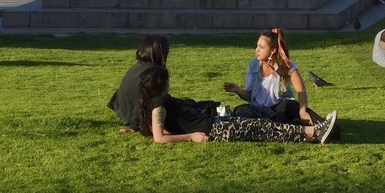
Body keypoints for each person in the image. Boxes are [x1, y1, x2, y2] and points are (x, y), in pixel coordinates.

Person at [138, 65, 333, 145]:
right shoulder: (159, 103)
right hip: (215, 129)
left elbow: (160, 128)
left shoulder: (160, 101)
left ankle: (313, 131)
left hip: (215, 122)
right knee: (262, 129)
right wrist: (191, 136)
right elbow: (159, 137)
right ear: (161, 83)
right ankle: (313, 132)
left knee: (262, 126)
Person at [222, 28, 319, 133]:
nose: (256, 50)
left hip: (279, 107)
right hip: (258, 110)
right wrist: (238, 90)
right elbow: (250, 96)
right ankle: (295, 126)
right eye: (257, 46)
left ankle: (322, 126)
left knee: (291, 106)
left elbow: (301, 90)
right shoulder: (253, 64)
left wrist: (302, 111)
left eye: (261, 47)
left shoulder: (286, 65)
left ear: (273, 50)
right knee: (240, 111)